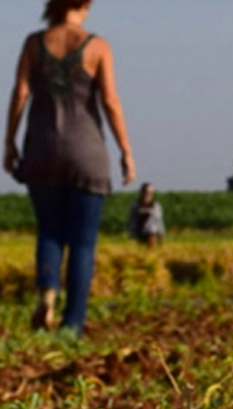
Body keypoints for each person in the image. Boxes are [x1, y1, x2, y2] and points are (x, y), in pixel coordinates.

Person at [3, 0, 135, 335]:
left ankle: (47, 291)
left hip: (42, 150)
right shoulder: (97, 46)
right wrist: (126, 150)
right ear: (85, 5)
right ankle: (72, 323)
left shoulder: (34, 44)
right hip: (86, 152)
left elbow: (20, 93)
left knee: (48, 230)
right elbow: (110, 101)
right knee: (82, 242)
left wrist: (9, 142)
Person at [128, 182, 165, 247]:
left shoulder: (156, 207)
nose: (148, 195)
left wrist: (161, 237)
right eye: (146, 192)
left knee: (152, 236)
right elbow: (132, 222)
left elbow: (159, 222)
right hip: (139, 234)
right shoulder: (136, 206)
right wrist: (132, 236)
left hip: (152, 234)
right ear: (142, 193)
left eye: (150, 193)